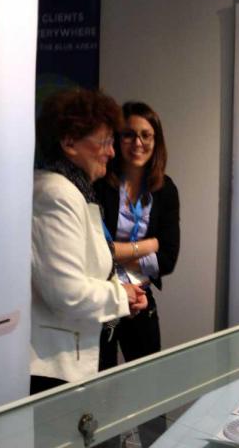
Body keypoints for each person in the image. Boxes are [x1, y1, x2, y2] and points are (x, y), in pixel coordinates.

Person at [31, 89, 148, 395]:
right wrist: (121, 295)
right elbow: (66, 292)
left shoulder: (77, 191)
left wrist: (124, 294)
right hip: (58, 369)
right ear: (69, 142)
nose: (112, 152)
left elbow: (93, 270)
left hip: (82, 353)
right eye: (105, 141)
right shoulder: (57, 194)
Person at [95, 100, 180, 368]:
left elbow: (167, 259)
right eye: (129, 135)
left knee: (148, 379)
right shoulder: (99, 184)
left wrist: (116, 253)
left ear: (156, 141)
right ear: (117, 139)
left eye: (146, 135)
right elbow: (95, 252)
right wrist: (149, 245)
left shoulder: (165, 190)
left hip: (141, 298)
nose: (138, 143)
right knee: (100, 381)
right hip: (105, 295)